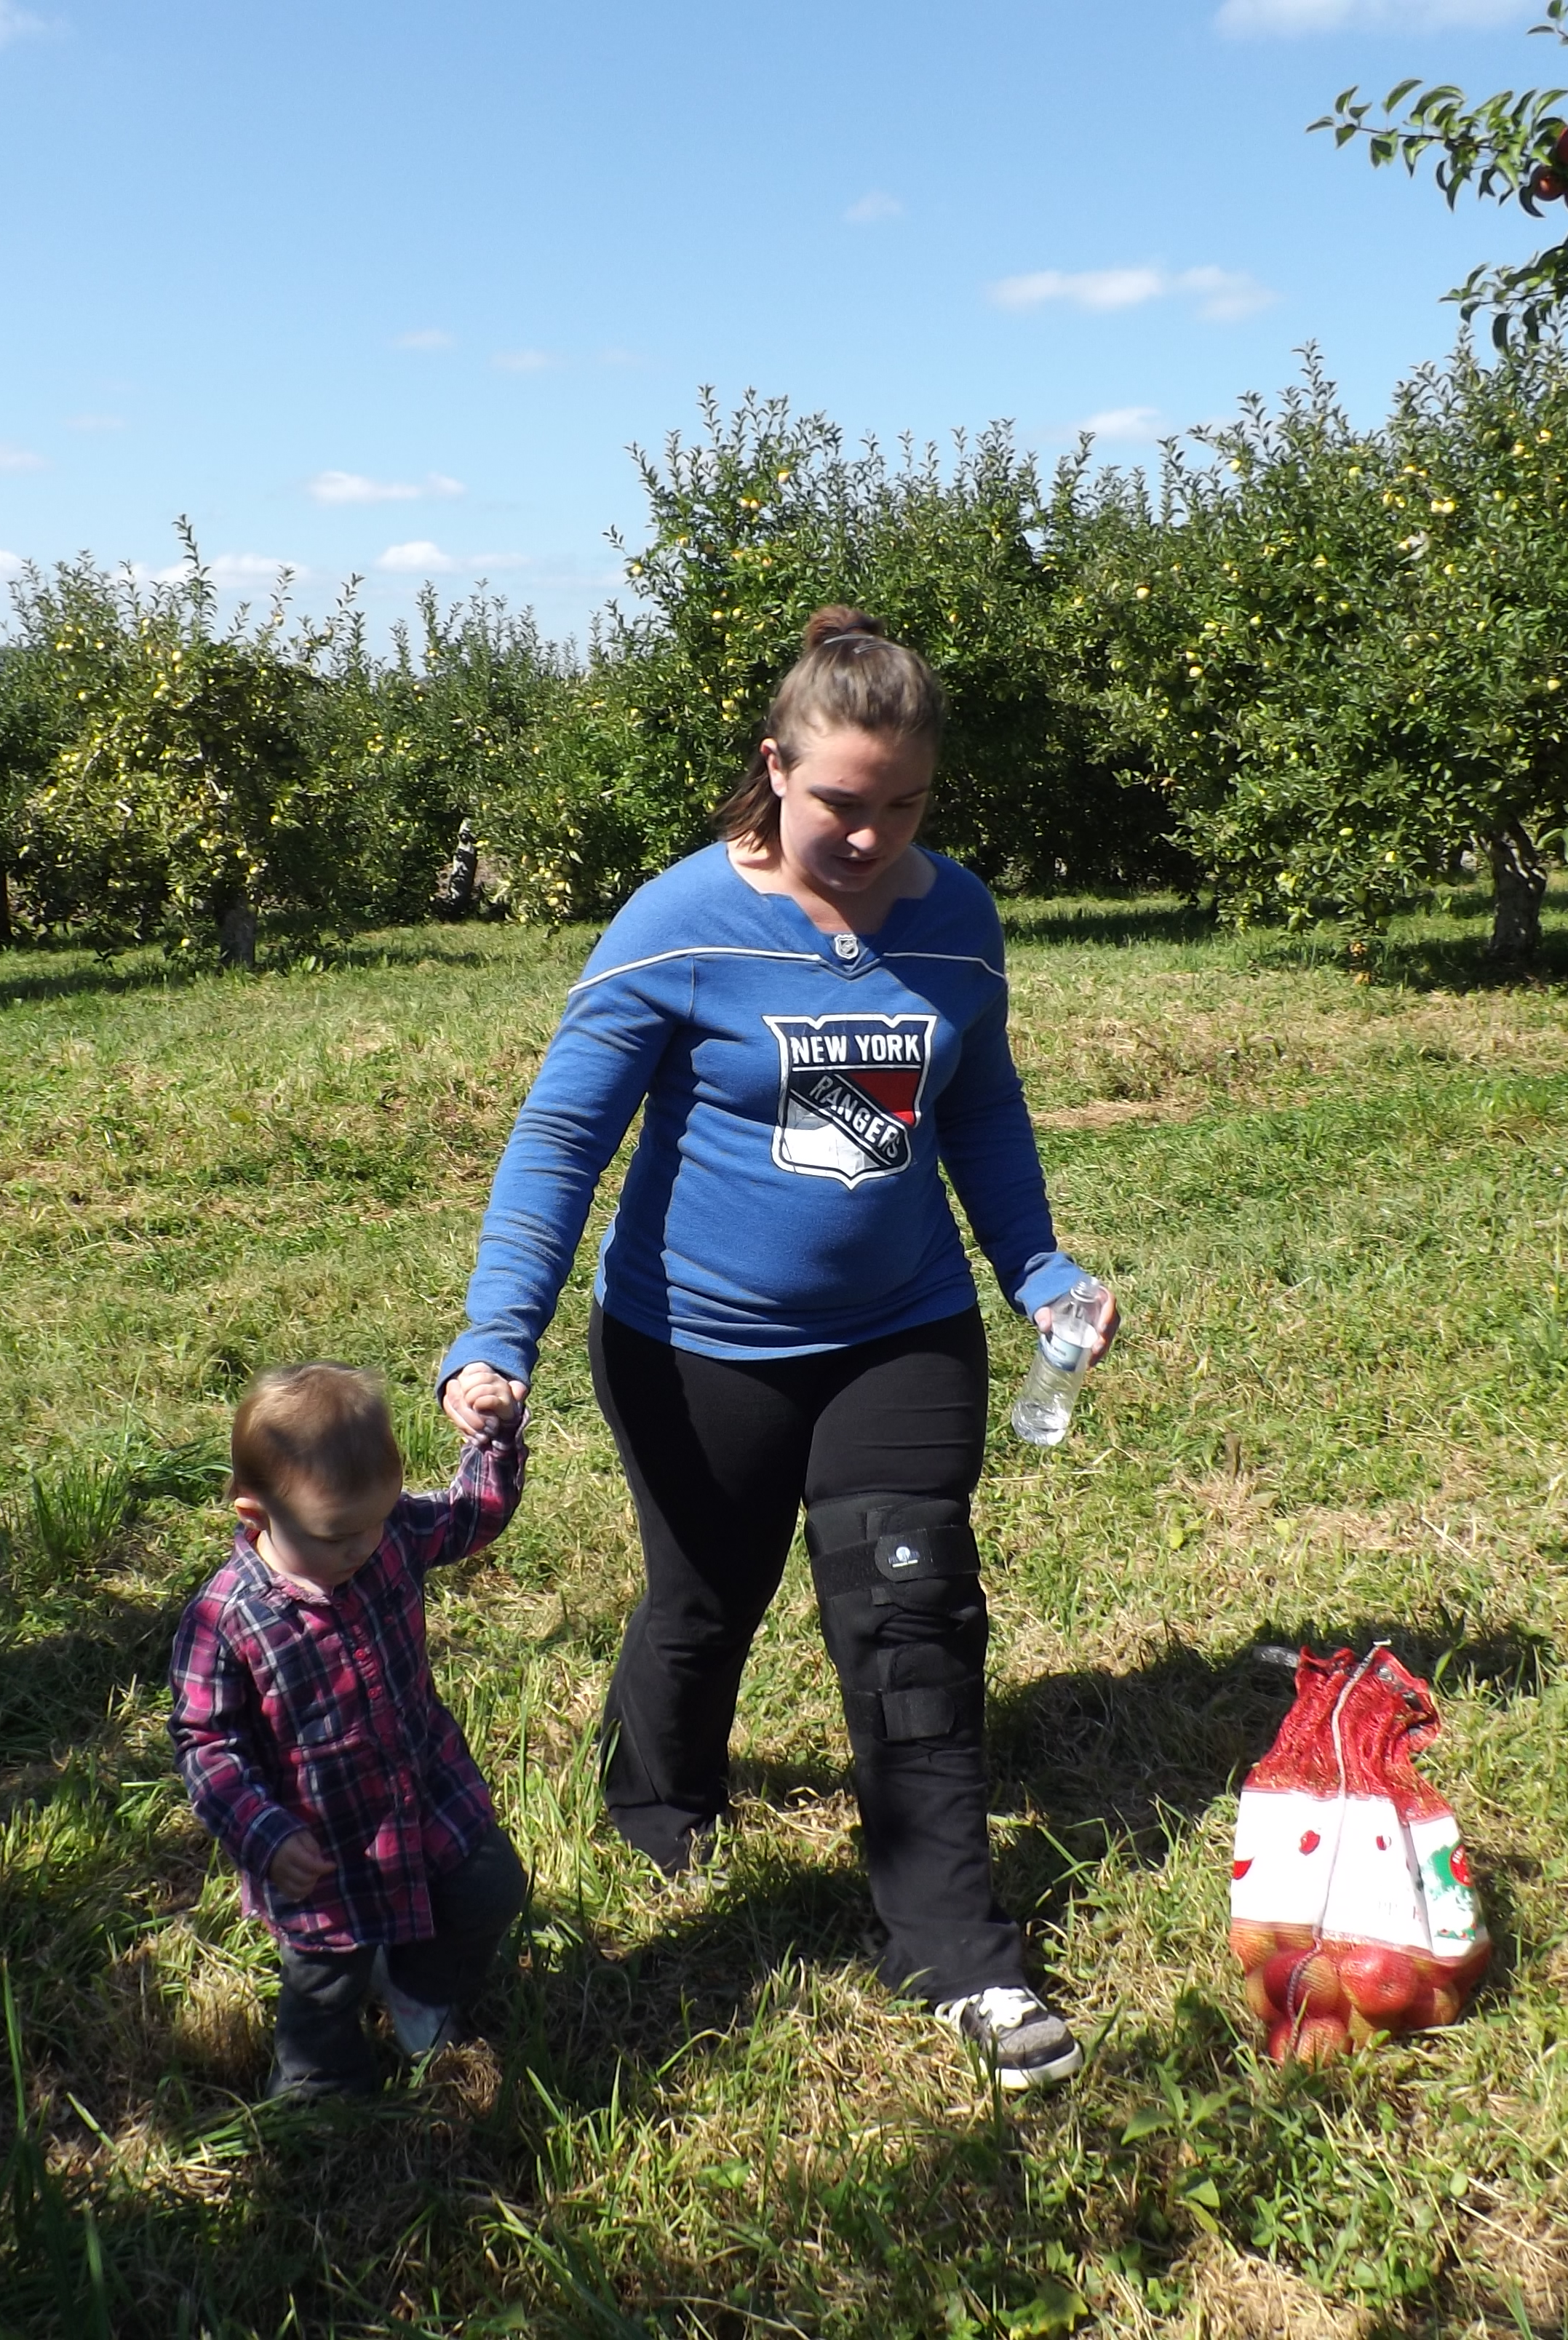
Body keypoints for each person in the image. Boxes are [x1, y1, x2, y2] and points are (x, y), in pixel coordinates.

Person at [435, 606, 1118, 2090]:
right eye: (837, 804)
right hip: (693, 1340)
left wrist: (1035, 1267)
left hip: (900, 1330)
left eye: (902, 806)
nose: (870, 838)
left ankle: (950, 1946)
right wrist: (497, 1332)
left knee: (909, 1606)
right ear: (773, 768)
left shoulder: (957, 920)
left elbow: (979, 1109)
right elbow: (562, 1139)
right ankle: (655, 1798)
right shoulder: (679, 920)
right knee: (705, 1595)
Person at [169, 1362, 531, 2100]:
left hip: (422, 1788)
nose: (364, 1547)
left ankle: (419, 1985)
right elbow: (206, 1744)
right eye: (338, 1535)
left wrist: (494, 1441)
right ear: (255, 1515)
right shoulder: (229, 1615)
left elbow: (470, 1514)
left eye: (378, 1519)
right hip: (316, 1835)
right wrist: (262, 1834)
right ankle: (317, 2084)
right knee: (325, 1977)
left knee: (492, 1888)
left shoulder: (384, 1532)